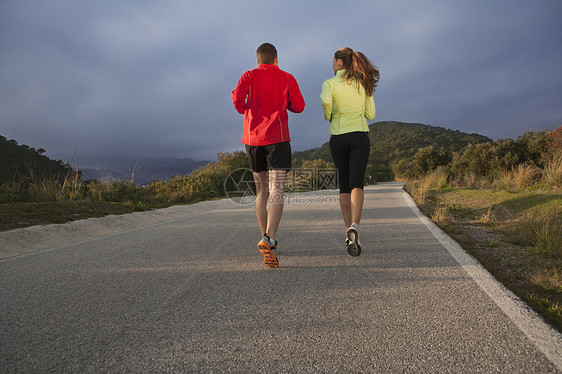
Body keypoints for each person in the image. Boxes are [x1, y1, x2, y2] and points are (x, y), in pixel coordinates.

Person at [232, 43, 305, 268]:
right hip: (278, 139)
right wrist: (285, 106)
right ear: (276, 58)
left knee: (261, 190)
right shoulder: (287, 78)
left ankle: (264, 235)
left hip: (252, 139)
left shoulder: (248, 76)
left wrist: (249, 108)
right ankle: (269, 239)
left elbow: (237, 102)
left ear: (258, 60)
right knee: (277, 189)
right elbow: (300, 106)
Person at [320, 47, 379, 257]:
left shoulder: (329, 83)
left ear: (338, 63)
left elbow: (326, 102)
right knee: (357, 182)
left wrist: (331, 115)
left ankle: (348, 231)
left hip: (338, 137)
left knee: (343, 184)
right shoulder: (362, 83)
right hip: (360, 136)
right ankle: (356, 225)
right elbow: (370, 114)